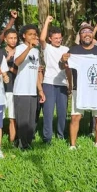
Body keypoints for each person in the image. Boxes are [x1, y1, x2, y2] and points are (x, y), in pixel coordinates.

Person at [61, 23, 97, 149]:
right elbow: (63, 67)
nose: (87, 34)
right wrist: (63, 60)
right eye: (83, 32)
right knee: (75, 117)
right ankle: (72, 145)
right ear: (80, 36)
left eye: (89, 32)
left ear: (92, 35)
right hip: (79, 89)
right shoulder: (73, 51)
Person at [13, 25, 45, 149]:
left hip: (32, 91)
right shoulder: (20, 48)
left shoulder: (36, 51)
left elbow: (36, 71)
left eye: (35, 34)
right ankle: (22, 143)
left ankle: (28, 142)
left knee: (32, 120)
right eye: (30, 34)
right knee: (23, 120)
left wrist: (40, 90)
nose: (33, 36)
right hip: (21, 90)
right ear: (24, 36)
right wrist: (28, 48)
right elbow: (17, 62)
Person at [39, 16, 69, 144]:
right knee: (48, 112)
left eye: (60, 38)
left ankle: (61, 135)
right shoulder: (47, 48)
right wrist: (46, 22)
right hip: (49, 83)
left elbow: (68, 68)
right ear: (50, 39)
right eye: (55, 38)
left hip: (62, 84)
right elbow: (41, 38)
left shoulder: (66, 49)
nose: (58, 40)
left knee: (62, 113)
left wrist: (69, 84)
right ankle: (47, 138)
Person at [3, 28, 19, 144]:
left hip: (15, 88)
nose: (13, 41)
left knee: (13, 118)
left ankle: (12, 142)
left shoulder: (20, 51)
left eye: (15, 38)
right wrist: (7, 59)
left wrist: (9, 69)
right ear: (5, 39)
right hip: (1, 89)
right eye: (11, 38)